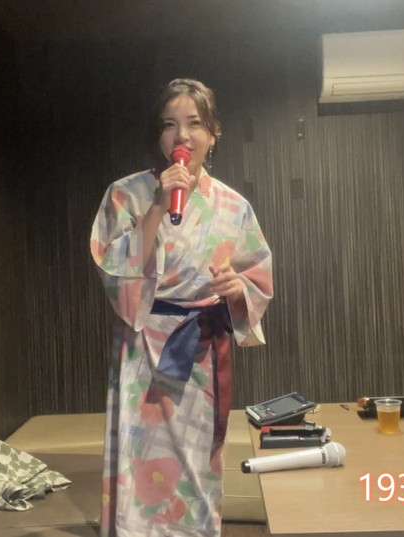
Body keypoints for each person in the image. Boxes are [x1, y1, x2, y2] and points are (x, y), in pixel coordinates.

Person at [89, 78, 273, 536]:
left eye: (194, 124)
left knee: (197, 463)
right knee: (140, 458)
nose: (182, 135)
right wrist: (155, 207)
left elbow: (257, 277)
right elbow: (112, 268)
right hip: (143, 345)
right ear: (159, 134)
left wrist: (236, 288)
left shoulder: (234, 206)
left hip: (201, 349)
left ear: (214, 133)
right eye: (170, 124)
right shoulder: (125, 194)